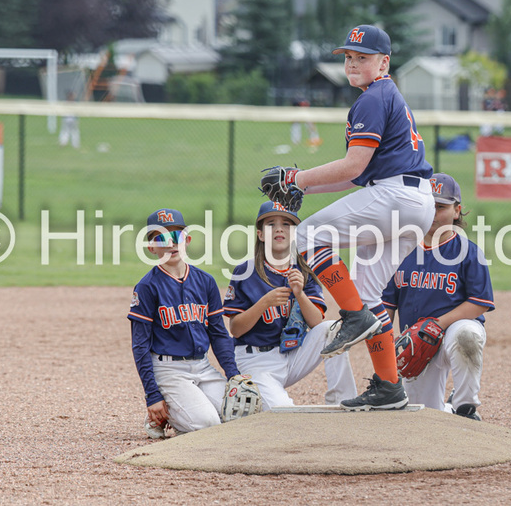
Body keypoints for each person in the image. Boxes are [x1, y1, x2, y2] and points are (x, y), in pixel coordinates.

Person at [283, 25, 436, 410]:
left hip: (395, 197)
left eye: (362, 57)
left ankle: (352, 316)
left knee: (306, 237)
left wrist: (295, 178)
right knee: (371, 296)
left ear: (384, 62)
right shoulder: (386, 96)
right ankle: (388, 386)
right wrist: (305, 188)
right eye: (349, 57)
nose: (353, 63)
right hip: (412, 201)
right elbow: (355, 176)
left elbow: (354, 163)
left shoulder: (373, 96)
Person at [223, 201, 357, 410]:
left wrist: (300, 293)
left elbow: (316, 323)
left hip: (292, 356)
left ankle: (343, 400)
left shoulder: (303, 270)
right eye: (271, 224)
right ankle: (261, 398)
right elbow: (236, 329)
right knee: (284, 412)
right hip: (256, 360)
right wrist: (264, 303)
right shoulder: (246, 271)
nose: (279, 228)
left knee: (333, 329)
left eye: (287, 224)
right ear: (260, 235)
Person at [382, 173, 494, 420]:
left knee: (467, 334)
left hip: (451, 335)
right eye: (426, 205)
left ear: (457, 211)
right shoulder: (400, 251)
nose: (433, 213)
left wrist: (438, 324)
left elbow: (479, 303)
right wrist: (386, 351)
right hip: (414, 345)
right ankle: (447, 406)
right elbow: (387, 307)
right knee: (425, 417)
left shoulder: (469, 252)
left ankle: (465, 406)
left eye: (441, 207)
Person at [128, 208, 241, 439]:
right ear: (151, 247)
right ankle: (165, 413)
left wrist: (233, 374)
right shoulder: (147, 287)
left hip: (203, 367)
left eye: (176, 236)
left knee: (238, 414)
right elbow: (140, 346)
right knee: (208, 423)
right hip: (168, 369)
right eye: (160, 237)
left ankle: (180, 407)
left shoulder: (206, 282)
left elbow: (219, 335)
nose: (170, 243)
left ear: (187, 240)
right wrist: (152, 395)